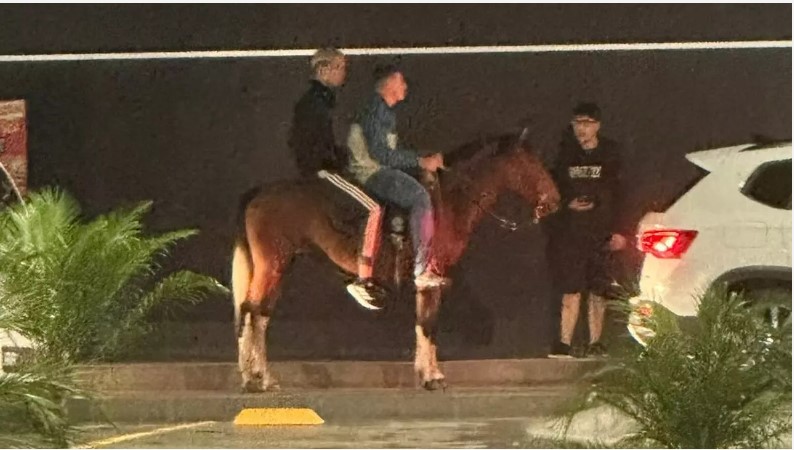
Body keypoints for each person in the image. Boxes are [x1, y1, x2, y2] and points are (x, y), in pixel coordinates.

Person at [287, 48, 385, 308]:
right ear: (324, 70)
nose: (344, 73)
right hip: (323, 171)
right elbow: (310, 144)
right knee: (374, 208)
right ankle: (363, 278)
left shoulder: (320, 101)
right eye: (340, 67)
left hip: (323, 167)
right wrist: (335, 163)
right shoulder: (313, 103)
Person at [346, 64, 447, 302]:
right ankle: (422, 270)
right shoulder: (376, 111)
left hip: (378, 168)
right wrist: (421, 162)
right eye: (401, 82)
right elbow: (382, 155)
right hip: (371, 173)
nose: (405, 87)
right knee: (420, 197)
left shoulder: (384, 111)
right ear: (389, 84)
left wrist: (422, 159)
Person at [546, 102, 629, 358]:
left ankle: (596, 342)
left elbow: (621, 193)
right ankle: (564, 342)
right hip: (571, 233)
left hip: (601, 231)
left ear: (597, 125)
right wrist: (566, 204)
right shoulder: (563, 154)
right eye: (577, 123)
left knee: (598, 288)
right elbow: (552, 190)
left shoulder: (611, 153)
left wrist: (619, 230)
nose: (581, 129)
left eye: (587, 123)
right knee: (570, 287)